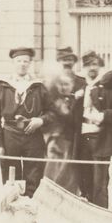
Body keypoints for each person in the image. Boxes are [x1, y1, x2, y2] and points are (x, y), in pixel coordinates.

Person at [0, 47, 49, 197]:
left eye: (26, 61)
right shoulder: (3, 87)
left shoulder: (38, 87)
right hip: (10, 136)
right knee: (11, 179)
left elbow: (53, 113)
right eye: (19, 61)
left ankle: (31, 211)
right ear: (13, 63)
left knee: (34, 178)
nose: (22, 64)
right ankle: (14, 213)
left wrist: (40, 120)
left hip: (33, 136)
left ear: (30, 64)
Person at [75, 52, 112, 208]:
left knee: (100, 184)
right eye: (88, 64)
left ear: (100, 66)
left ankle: (102, 214)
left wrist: (103, 116)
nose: (91, 68)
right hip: (82, 139)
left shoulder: (109, 87)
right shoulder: (80, 87)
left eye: (95, 64)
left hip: (101, 139)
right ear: (84, 67)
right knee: (84, 181)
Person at [43, 47, 86, 192]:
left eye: (70, 60)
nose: (67, 63)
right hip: (55, 134)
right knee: (54, 171)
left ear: (74, 62)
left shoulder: (81, 82)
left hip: (76, 133)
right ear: (59, 62)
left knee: (72, 173)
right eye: (64, 61)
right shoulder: (50, 84)